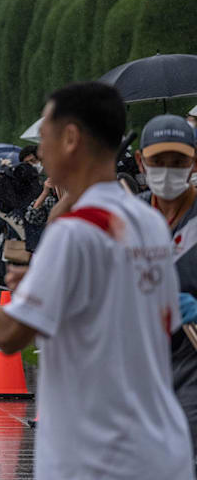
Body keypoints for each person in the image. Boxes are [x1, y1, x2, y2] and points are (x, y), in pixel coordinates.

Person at [0, 82, 193, 479]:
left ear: (70, 138)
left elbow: (10, 335)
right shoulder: (147, 220)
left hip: (98, 456)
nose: (39, 150)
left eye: (44, 134)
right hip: (161, 448)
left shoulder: (75, 234)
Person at [134, 114, 197, 467]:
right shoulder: (130, 214)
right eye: (159, 162)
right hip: (138, 360)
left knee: (176, 452)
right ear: (141, 160)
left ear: (194, 161)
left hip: (191, 359)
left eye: (179, 162)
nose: (168, 171)